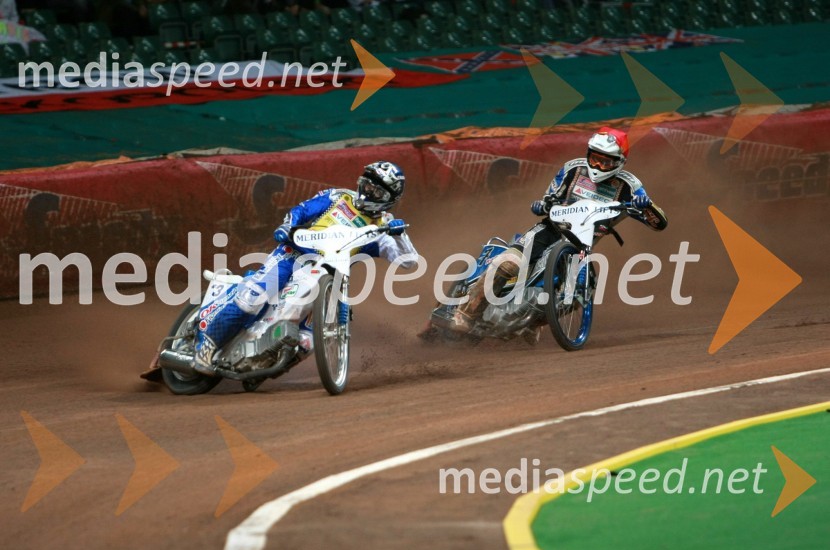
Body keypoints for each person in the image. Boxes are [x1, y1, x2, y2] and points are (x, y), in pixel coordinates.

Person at [194, 161, 417, 373]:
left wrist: (400, 236)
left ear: (389, 199)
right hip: (293, 254)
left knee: (307, 341)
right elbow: (302, 210)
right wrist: (287, 226)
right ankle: (206, 347)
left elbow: (409, 262)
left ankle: (264, 360)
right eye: (367, 185)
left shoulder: (384, 227)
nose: (368, 192)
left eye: (377, 192)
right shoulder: (338, 197)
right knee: (252, 299)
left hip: (330, 275)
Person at [450, 127, 668, 337]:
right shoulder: (573, 168)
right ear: (588, 154)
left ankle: (529, 324)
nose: (599, 165)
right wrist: (543, 205)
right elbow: (550, 197)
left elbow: (658, 223)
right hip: (550, 229)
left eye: (606, 161)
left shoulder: (630, 185)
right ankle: (466, 313)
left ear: (619, 162)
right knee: (509, 263)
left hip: (581, 244)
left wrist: (646, 206)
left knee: (576, 294)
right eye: (595, 159)